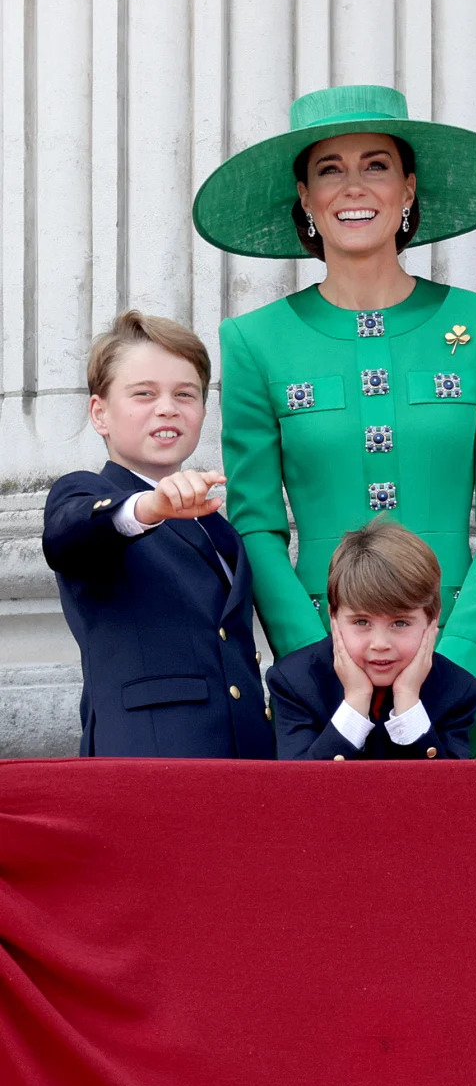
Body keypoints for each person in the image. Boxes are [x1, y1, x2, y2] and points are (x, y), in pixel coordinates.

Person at [192, 84, 476, 758]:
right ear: (306, 197)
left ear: (408, 188)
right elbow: (255, 521)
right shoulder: (254, 340)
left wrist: (458, 653)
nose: (355, 186)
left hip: (455, 662)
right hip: (323, 678)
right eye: (330, 169)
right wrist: (317, 657)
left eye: (376, 164)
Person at [42, 312, 275, 758]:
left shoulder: (216, 525)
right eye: (144, 393)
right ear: (100, 412)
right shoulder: (88, 493)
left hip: (245, 763)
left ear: (203, 412)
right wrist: (149, 508)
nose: (167, 407)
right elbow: (68, 536)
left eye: (185, 394)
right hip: (146, 762)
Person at [268, 520, 476, 760]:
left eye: (400, 623)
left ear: (432, 620)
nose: (380, 644)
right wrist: (356, 700)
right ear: (334, 618)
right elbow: (301, 790)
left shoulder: (457, 689)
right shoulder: (296, 682)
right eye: (362, 622)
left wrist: (408, 700)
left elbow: (447, 792)